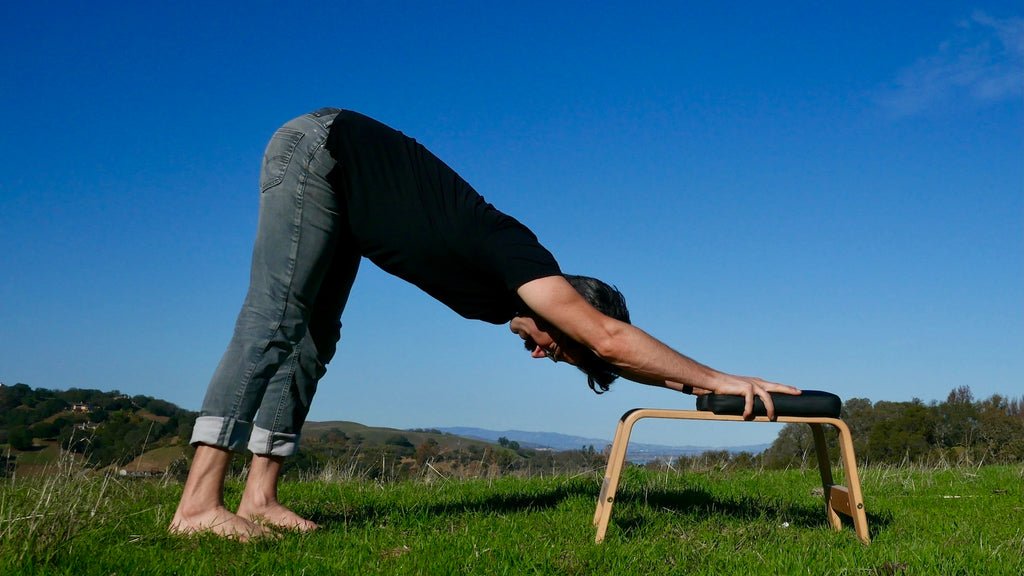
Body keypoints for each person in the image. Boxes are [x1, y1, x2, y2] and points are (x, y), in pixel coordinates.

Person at [169, 108, 799, 539]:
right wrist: (722, 373)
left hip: (349, 201)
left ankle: (261, 499)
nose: (538, 354)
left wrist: (699, 390)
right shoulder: (522, 258)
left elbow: (611, 355)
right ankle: (197, 505)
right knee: (274, 321)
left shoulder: (506, 298)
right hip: (322, 150)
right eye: (556, 346)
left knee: (312, 342)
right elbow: (608, 338)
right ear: (566, 308)